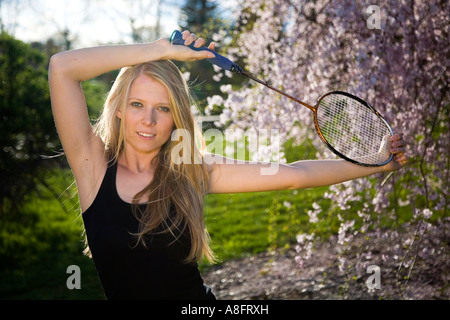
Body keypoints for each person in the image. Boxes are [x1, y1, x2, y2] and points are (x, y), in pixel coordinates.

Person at [48, 30, 408, 300]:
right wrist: (158, 51)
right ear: (119, 109)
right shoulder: (92, 167)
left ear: (177, 118)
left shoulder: (190, 170)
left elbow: (295, 175)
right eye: (138, 104)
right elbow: (62, 68)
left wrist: (376, 164)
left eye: (163, 109)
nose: (148, 121)